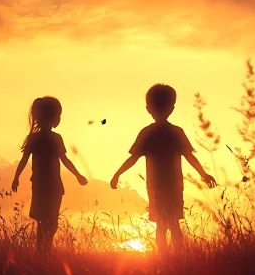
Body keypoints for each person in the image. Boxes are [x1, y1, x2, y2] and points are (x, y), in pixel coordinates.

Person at [110, 84, 217, 255]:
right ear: (172, 108)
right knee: (174, 224)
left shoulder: (148, 133)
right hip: (173, 186)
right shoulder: (176, 132)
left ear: (148, 108)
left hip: (156, 187)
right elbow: (189, 156)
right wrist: (203, 174)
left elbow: (133, 158)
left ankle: (164, 259)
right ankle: (177, 259)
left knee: (162, 224)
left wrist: (117, 174)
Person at [12, 96, 88, 256]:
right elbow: (64, 160)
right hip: (52, 186)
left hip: (40, 185)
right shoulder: (54, 138)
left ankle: (43, 252)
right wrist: (78, 175)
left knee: (43, 221)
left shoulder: (35, 137)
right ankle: (44, 252)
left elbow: (24, 160)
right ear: (54, 118)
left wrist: (16, 177)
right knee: (51, 222)